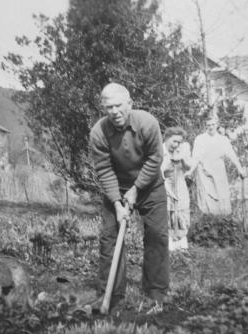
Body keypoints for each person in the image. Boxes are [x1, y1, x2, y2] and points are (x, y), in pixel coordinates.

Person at [89, 83, 169, 312]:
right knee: (109, 238)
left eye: (118, 105)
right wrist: (116, 201)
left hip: (150, 186)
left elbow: (155, 158)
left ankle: (155, 293)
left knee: (157, 236)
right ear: (103, 108)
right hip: (116, 187)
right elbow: (103, 169)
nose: (114, 111)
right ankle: (111, 295)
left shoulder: (147, 123)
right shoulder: (98, 132)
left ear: (130, 104)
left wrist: (135, 190)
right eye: (108, 107)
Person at [191, 116, 245, 215]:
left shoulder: (223, 139)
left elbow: (231, 154)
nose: (211, 127)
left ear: (217, 125)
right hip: (204, 172)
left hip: (218, 170)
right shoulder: (200, 139)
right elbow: (196, 157)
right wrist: (190, 171)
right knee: (207, 196)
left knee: (221, 194)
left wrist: (240, 168)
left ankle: (222, 219)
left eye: (213, 124)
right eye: (208, 125)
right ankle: (207, 220)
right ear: (205, 126)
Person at [161, 127, 193, 251]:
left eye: (179, 142)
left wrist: (182, 157)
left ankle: (181, 240)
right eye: (174, 141)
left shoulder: (181, 150)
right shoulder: (160, 150)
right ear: (167, 138)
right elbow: (159, 171)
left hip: (180, 185)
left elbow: (188, 167)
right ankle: (170, 242)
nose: (176, 144)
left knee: (182, 210)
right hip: (165, 185)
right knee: (168, 212)